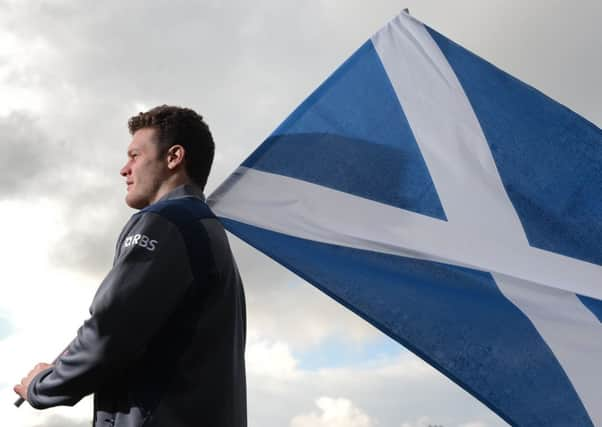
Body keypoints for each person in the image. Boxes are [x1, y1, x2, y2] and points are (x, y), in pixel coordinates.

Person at [14, 105, 247, 426]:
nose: (124, 169)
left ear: (174, 157)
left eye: (135, 156)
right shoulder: (205, 230)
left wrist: (42, 385)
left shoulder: (166, 222)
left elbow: (110, 329)